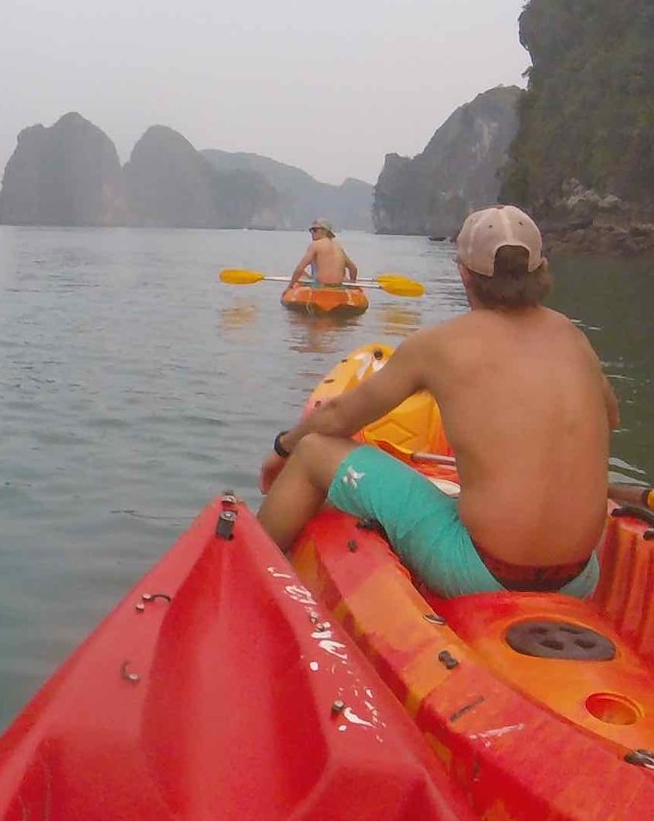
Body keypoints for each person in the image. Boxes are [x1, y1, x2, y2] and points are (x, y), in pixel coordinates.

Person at [257, 205, 617, 597]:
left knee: (312, 450)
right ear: (541, 267)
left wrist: (283, 447)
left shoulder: (438, 345)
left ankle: (253, 571)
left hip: (484, 572)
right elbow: (610, 418)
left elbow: (338, 418)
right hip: (579, 578)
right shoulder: (575, 338)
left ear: (463, 272)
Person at [287, 222, 359, 292]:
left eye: (314, 230)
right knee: (344, 277)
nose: (312, 233)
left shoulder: (315, 245)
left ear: (324, 231)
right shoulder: (338, 247)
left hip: (321, 286)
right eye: (311, 230)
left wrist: (290, 286)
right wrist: (352, 283)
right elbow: (353, 269)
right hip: (338, 286)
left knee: (302, 274)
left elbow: (299, 269)